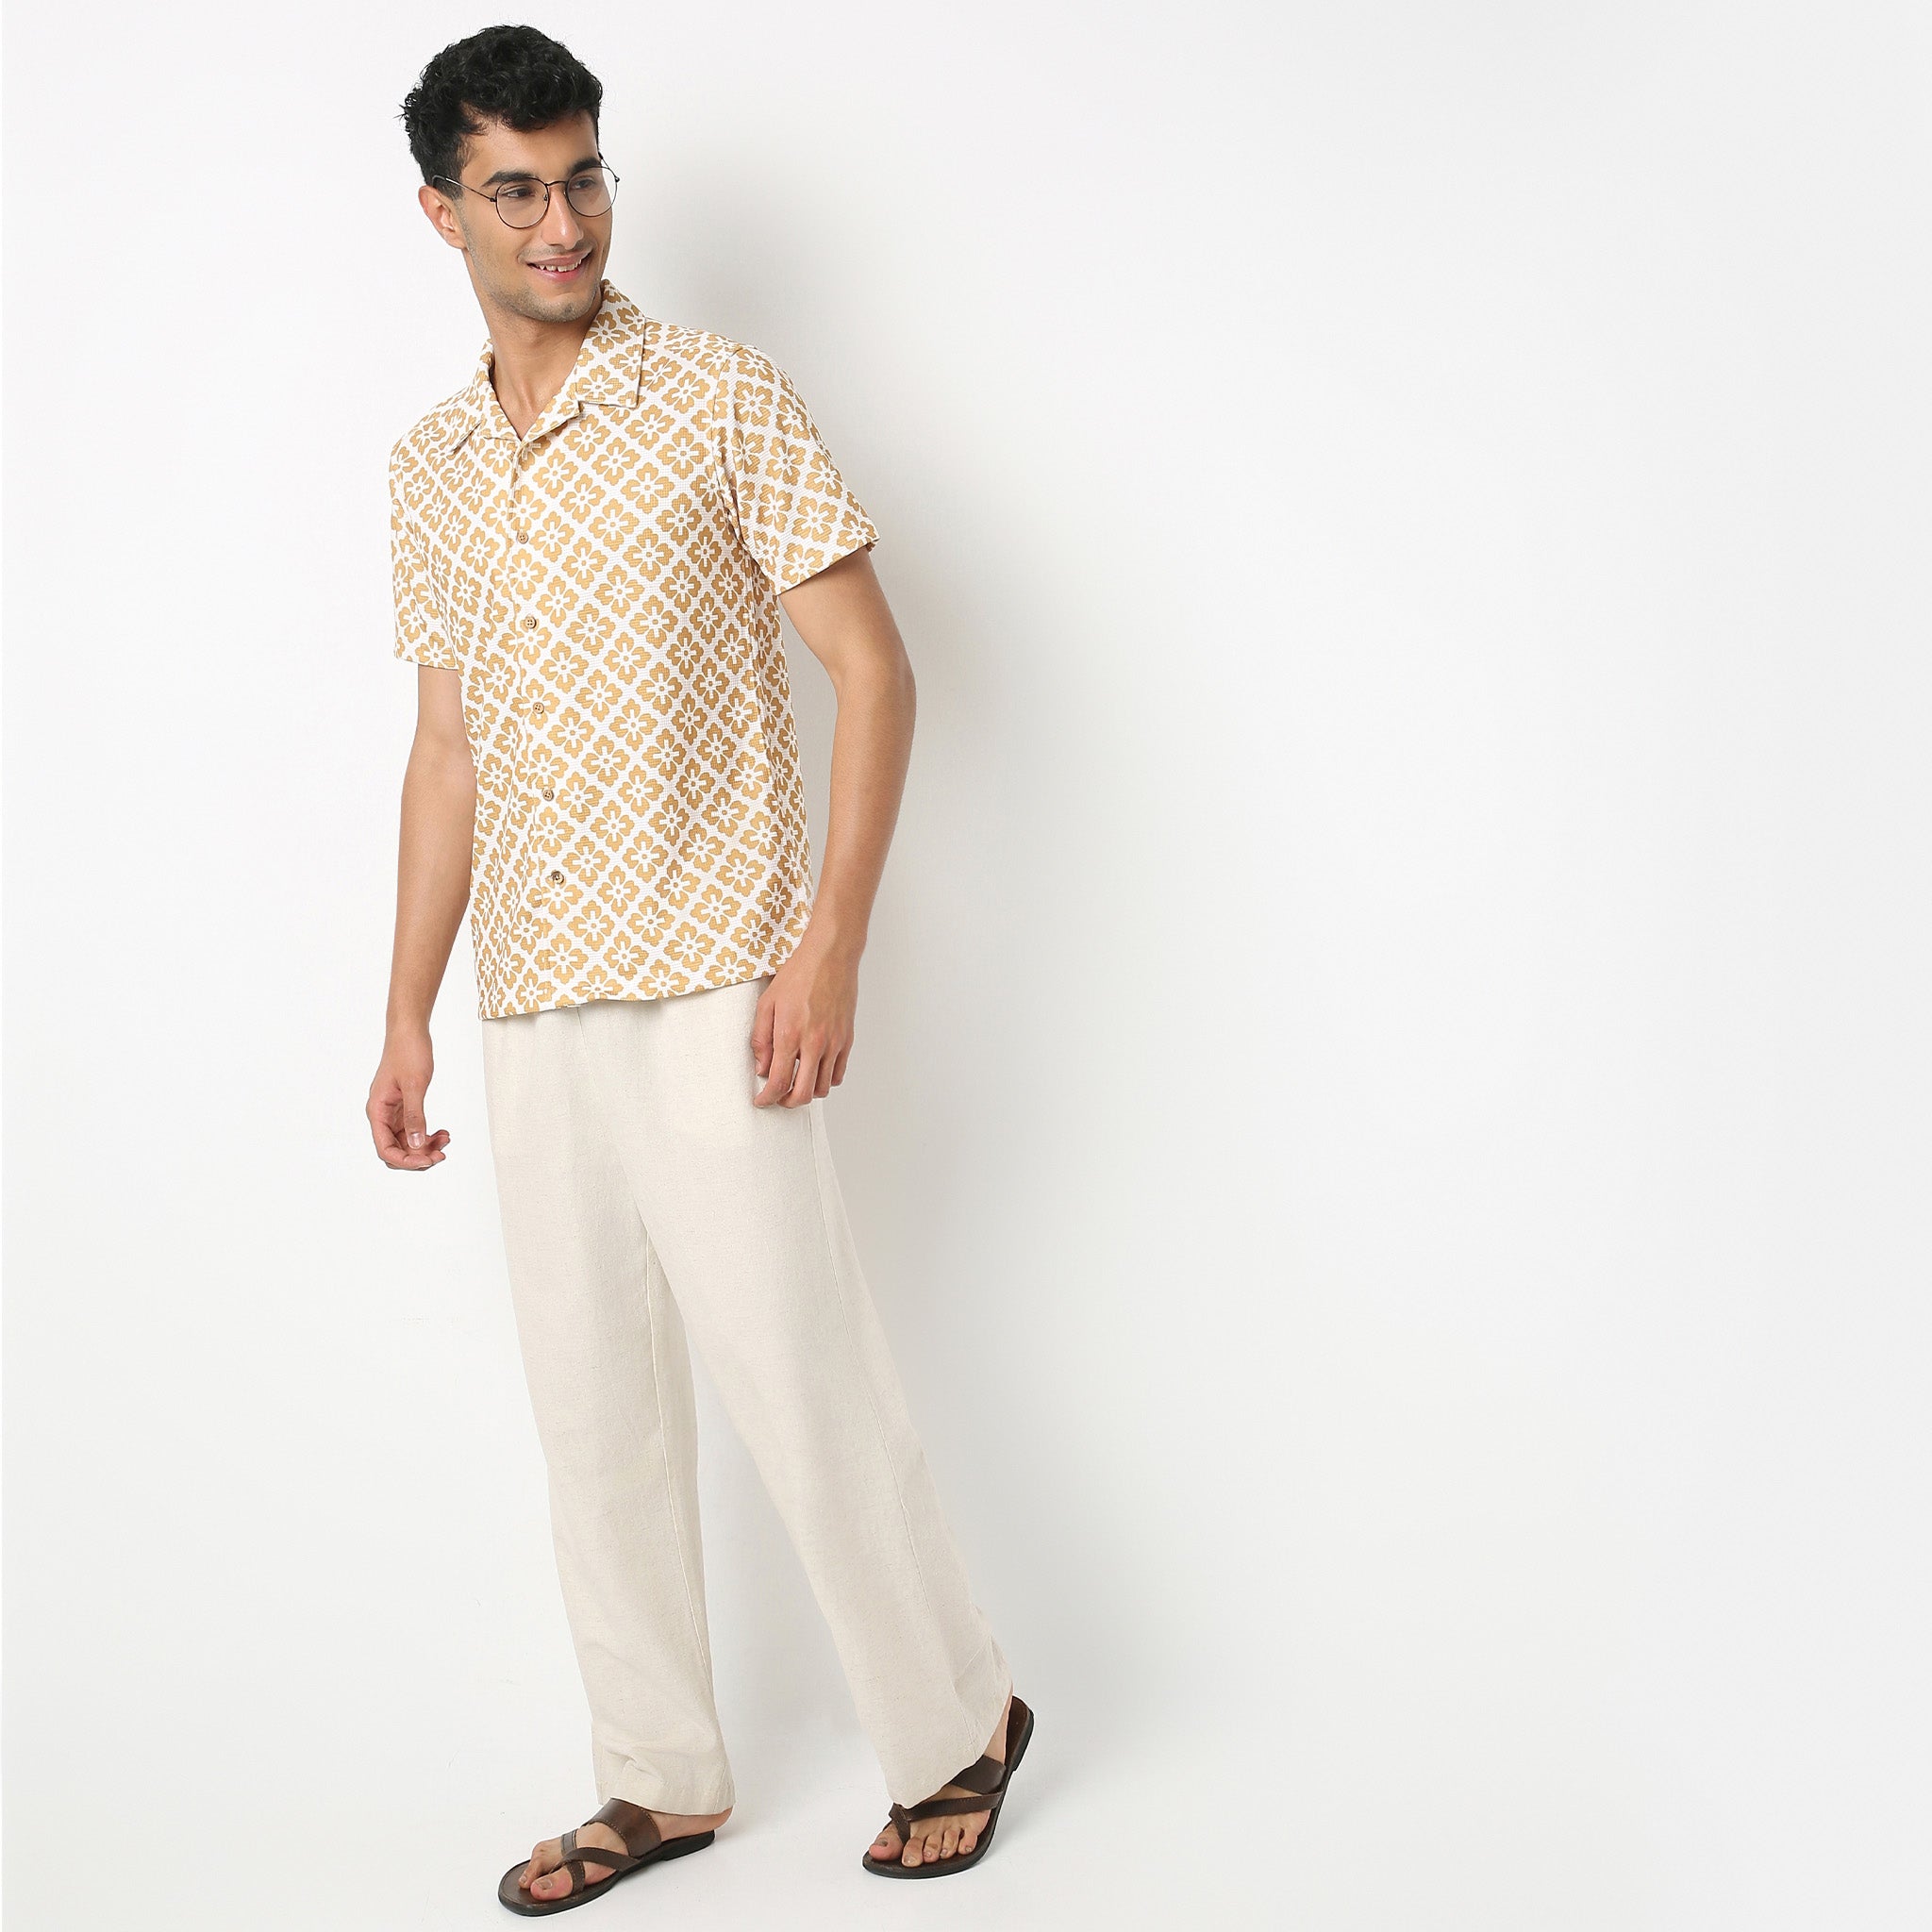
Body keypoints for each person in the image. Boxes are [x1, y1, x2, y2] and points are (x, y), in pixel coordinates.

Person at [366, 23, 1032, 1914]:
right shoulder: (428, 468)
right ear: (441, 213)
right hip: (531, 998)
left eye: (582, 175)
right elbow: (446, 753)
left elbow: (875, 670)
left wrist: (830, 945)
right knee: (594, 1417)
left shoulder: (721, 394)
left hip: (719, 975)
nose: (562, 222)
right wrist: (404, 1008)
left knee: (799, 1378)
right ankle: (657, 1780)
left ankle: (955, 1725)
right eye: (514, 188)